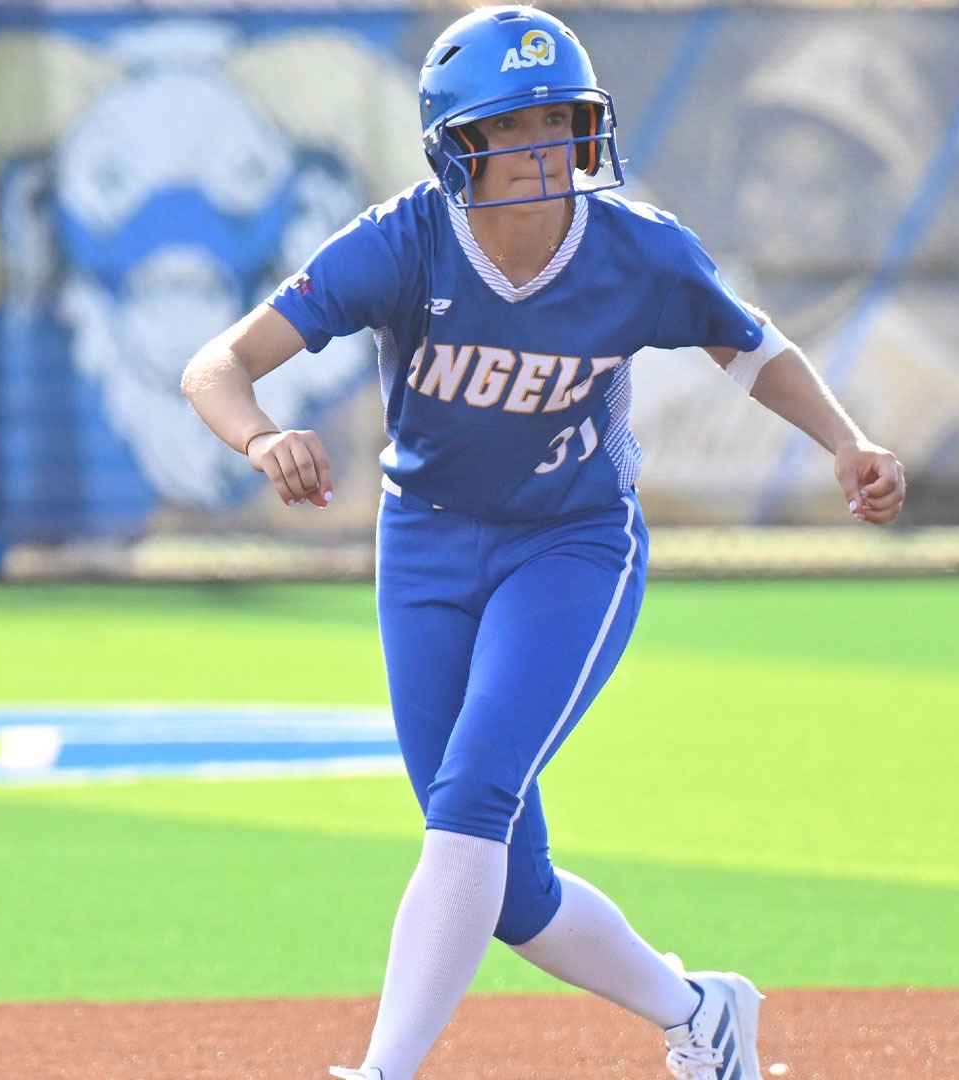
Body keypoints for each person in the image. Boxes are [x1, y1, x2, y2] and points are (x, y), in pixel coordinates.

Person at [178, 7, 906, 1080]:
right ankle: (700, 1013)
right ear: (458, 145)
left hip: (571, 545)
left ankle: (382, 1072)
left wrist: (846, 441)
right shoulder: (402, 241)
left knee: (474, 796)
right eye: (511, 126)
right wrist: (262, 437)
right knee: (512, 891)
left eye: (560, 120)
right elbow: (217, 366)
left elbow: (750, 347)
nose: (543, 147)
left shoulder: (636, 249)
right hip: (424, 548)